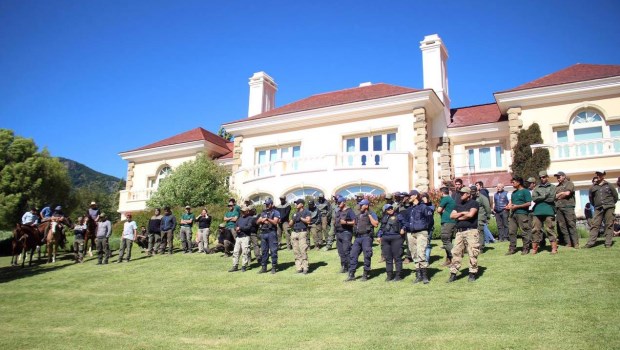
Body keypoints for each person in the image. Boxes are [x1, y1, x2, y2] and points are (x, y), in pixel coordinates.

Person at [447, 187, 480, 282]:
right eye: (460, 193)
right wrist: (463, 213)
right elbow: (452, 216)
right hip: (459, 232)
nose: (460, 195)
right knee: (455, 252)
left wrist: (459, 216)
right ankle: (453, 273)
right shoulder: (457, 205)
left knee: (472, 252)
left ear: (468, 194)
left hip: (471, 231)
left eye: (463, 193)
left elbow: (471, 215)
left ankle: (472, 273)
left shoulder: (474, 203)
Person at [400, 190, 434, 284]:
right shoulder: (409, 209)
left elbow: (430, 220)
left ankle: (424, 276)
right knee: (414, 253)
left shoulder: (423, 207)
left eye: (410, 196)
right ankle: (418, 275)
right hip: (410, 233)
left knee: (421, 252)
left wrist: (425, 229)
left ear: (415, 196)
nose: (408, 198)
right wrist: (406, 227)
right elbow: (406, 220)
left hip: (421, 233)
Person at [345, 199, 378, 282]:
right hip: (358, 238)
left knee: (367, 255)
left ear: (366, 206)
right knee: (353, 254)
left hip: (366, 237)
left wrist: (369, 216)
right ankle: (351, 274)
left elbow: (376, 224)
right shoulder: (358, 215)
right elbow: (355, 224)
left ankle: (366, 273)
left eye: (361, 205)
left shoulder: (372, 214)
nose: (360, 206)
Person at [586, 170, 618, 248]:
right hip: (598, 208)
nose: (598, 176)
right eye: (597, 174)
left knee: (609, 224)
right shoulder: (592, 187)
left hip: (609, 207)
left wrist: (610, 204)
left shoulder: (609, 185)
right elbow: (591, 199)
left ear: (604, 175)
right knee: (594, 225)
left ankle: (608, 243)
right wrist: (596, 205)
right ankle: (590, 243)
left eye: (600, 174)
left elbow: (615, 197)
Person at [531, 171, 558, 254]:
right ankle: (534, 249)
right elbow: (534, 199)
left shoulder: (553, 187)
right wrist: (545, 196)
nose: (542, 179)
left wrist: (540, 197)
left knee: (550, 229)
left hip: (549, 210)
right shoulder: (536, 188)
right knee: (535, 229)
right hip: (537, 211)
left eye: (544, 177)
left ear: (547, 177)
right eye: (541, 177)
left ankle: (554, 248)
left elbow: (552, 198)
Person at [506, 176, 533, 255]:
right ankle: (512, 249)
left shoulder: (525, 191)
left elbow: (529, 203)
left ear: (519, 182)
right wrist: (508, 206)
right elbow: (512, 203)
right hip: (513, 214)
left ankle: (526, 248)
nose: (512, 183)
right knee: (511, 232)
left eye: (513, 182)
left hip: (522, 214)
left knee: (524, 231)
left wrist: (517, 206)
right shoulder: (514, 193)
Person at [377, 204, 403, 282]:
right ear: (385, 211)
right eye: (388, 209)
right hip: (385, 239)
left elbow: (405, 224)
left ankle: (398, 275)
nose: (390, 210)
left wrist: (403, 228)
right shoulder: (384, 218)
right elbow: (381, 228)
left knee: (397, 257)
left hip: (396, 237)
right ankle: (389, 275)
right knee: (388, 258)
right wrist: (379, 236)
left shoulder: (399, 216)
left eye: (391, 208)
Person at [554, 171, 579, 248]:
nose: (558, 178)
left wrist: (559, 195)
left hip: (568, 207)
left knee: (571, 224)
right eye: (557, 177)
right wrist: (562, 193)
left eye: (559, 176)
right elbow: (554, 197)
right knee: (562, 226)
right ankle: (568, 243)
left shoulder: (569, 184)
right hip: (559, 208)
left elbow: (568, 193)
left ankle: (575, 243)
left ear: (564, 176)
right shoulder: (556, 187)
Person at [257, 198, 281, 274]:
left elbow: (275, 222)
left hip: (271, 233)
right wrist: (261, 220)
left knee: (273, 250)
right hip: (263, 233)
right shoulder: (263, 212)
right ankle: (264, 267)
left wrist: (267, 219)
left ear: (271, 204)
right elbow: (257, 222)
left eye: (268, 204)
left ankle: (274, 266)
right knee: (264, 251)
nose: (267, 205)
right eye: (266, 204)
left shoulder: (276, 212)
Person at [333, 196, 355, 273]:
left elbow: (354, 222)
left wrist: (346, 222)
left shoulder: (349, 211)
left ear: (344, 202)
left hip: (346, 233)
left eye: (339, 202)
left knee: (347, 250)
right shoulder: (338, 211)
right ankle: (344, 266)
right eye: (337, 203)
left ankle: (350, 267)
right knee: (340, 251)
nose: (338, 204)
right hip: (338, 233)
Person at [289, 199, 311, 274]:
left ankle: (305, 267)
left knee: (303, 250)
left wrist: (301, 218)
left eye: (297, 203)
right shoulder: (294, 213)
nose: (296, 205)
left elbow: (308, 221)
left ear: (302, 204)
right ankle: (299, 267)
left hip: (302, 232)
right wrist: (293, 219)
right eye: (295, 203)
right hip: (294, 232)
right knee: (296, 250)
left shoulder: (306, 212)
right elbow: (290, 224)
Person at [229, 206, 252, 272]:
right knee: (236, 252)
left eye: (244, 211)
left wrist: (240, 228)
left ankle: (244, 266)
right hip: (238, 237)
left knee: (245, 252)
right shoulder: (239, 218)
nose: (242, 212)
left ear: (247, 212)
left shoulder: (250, 218)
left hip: (245, 237)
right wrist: (236, 228)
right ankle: (235, 266)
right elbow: (236, 225)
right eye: (242, 211)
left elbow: (249, 227)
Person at [437, 187, 456, 267]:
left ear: (442, 193)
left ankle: (455, 259)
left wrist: (442, 209)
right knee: (448, 241)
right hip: (451, 222)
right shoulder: (450, 199)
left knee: (446, 240)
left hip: (447, 222)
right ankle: (448, 260)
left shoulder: (445, 199)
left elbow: (438, 210)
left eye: (439, 192)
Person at [471, 186, 493, 251]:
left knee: (480, 232)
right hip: (473, 217)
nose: (472, 194)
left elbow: (487, 208)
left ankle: (481, 248)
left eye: (473, 192)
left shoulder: (482, 198)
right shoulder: (471, 197)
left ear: (476, 191)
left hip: (480, 217)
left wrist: (488, 217)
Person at [421, 192, 436, 262]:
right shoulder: (420, 205)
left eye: (425, 197)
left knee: (427, 244)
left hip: (429, 227)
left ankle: (426, 260)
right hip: (421, 227)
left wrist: (425, 203)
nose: (424, 199)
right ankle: (421, 259)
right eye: (422, 197)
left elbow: (430, 211)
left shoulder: (431, 205)